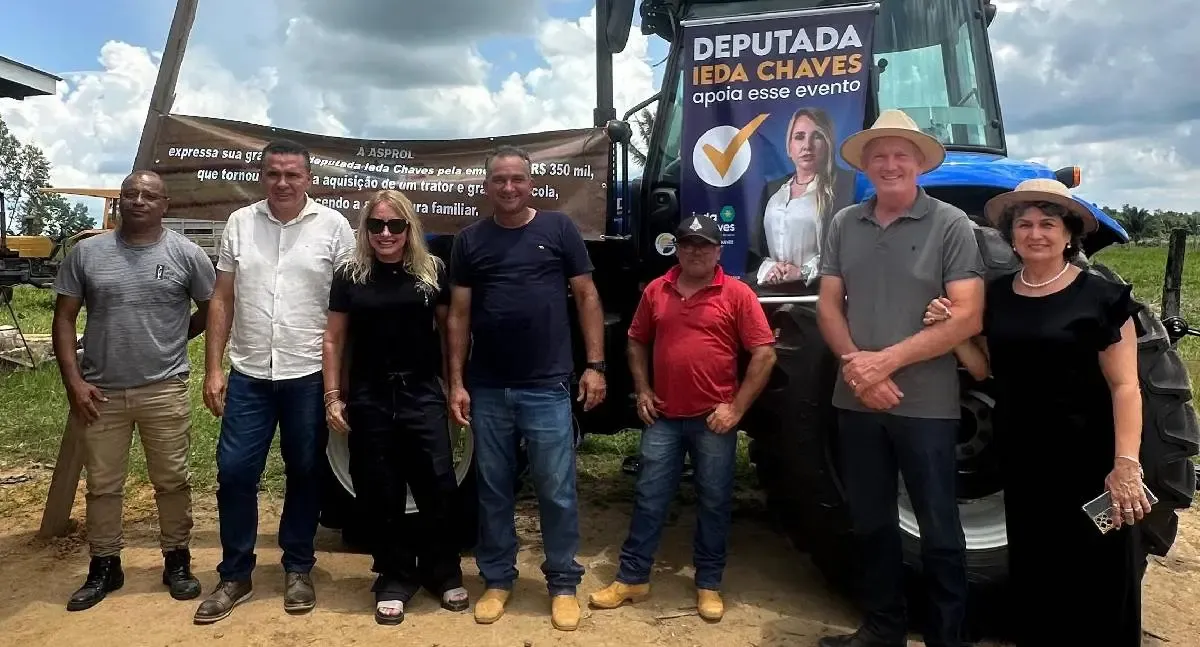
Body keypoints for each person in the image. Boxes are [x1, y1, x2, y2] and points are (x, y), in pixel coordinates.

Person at [921, 178, 1150, 646]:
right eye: (1024, 224)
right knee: (1037, 565)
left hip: (1091, 465)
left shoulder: (1101, 299)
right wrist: (955, 331)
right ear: (1011, 235)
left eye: (1048, 223)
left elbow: (1126, 386)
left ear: (1069, 234)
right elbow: (986, 371)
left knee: (1100, 565)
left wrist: (1125, 465)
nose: (1035, 233)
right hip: (1025, 460)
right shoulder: (999, 296)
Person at [815, 109, 985, 647]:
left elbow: (967, 316)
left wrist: (882, 364)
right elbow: (827, 305)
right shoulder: (844, 223)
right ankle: (882, 628)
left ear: (919, 164)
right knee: (870, 522)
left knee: (939, 529)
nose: (890, 164)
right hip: (858, 400)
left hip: (926, 406)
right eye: (879, 156)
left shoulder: (952, 224)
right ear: (866, 165)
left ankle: (946, 637)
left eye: (900, 155)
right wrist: (858, 370)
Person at [446, 145, 607, 631]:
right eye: (500, 180)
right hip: (489, 386)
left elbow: (587, 296)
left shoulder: (558, 230)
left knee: (556, 490)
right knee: (493, 490)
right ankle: (497, 579)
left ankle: (562, 583)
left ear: (531, 183)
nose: (509, 187)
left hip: (548, 385)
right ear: (487, 186)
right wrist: (456, 381)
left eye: (518, 178)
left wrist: (595, 365)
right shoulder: (470, 241)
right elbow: (458, 315)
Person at [194, 139, 355, 625]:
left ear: (310, 179)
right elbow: (221, 299)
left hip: (307, 373)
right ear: (262, 176)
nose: (282, 182)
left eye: (292, 174)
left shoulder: (334, 228)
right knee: (236, 472)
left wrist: (339, 384)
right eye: (273, 174)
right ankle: (236, 573)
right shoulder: (241, 223)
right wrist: (214, 367)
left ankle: (298, 567)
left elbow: (344, 310)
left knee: (306, 472)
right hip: (248, 374)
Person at [588, 214, 777, 621]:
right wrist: (642, 389)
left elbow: (765, 354)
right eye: (688, 243)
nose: (695, 250)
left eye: (703, 244)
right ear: (677, 247)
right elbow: (636, 341)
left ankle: (708, 583)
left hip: (714, 420)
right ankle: (633, 577)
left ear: (717, 250)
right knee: (649, 498)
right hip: (664, 418)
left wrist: (737, 409)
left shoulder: (738, 294)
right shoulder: (658, 290)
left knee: (714, 502)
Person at [51, 170, 215, 611]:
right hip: (100, 392)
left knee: (172, 481)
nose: (138, 200)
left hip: (164, 388)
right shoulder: (87, 253)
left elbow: (211, 309)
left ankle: (176, 560)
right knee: (103, 485)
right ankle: (104, 564)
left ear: (165, 204)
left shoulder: (187, 254)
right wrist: (74, 382)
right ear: (120, 201)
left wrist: (176, 339)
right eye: (131, 193)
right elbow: (64, 318)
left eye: (149, 195)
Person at [321, 189, 468, 625]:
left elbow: (449, 332)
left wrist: (453, 385)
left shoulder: (431, 271)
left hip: (422, 391)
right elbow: (334, 339)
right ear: (365, 229)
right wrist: (333, 396)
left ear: (409, 229)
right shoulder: (350, 275)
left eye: (395, 225)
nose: (386, 233)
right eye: (376, 225)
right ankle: (395, 575)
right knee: (379, 489)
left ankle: (442, 571)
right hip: (369, 395)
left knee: (437, 484)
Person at [749, 107, 855, 291]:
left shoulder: (845, 185)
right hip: (771, 290)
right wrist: (771, 269)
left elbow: (847, 248)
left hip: (817, 294)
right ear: (789, 147)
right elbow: (756, 251)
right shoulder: (773, 190)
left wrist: (802, 272)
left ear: (829, 143)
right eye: (799, 137)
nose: (807, 145)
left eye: (817, 136)